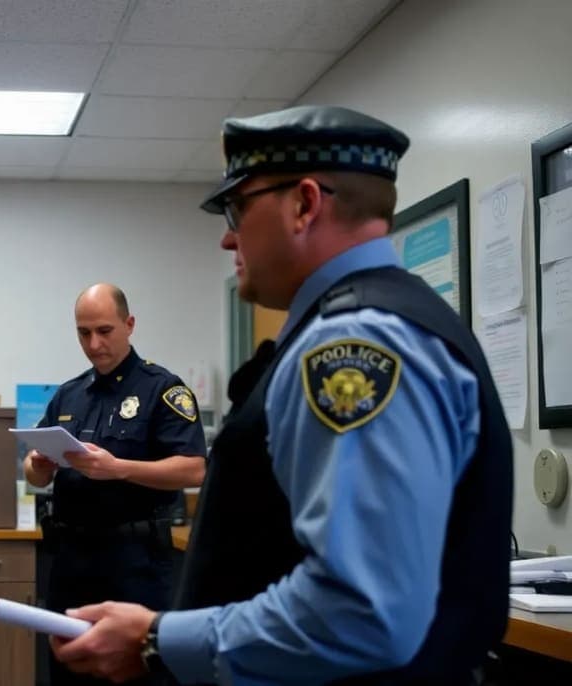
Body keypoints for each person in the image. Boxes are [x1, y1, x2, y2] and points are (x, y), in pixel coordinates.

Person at [50, 106, 513, 685]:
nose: (226, 237)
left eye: (237, 208)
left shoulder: (354, 345)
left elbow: (360, 610)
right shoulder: (382, 320)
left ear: (304, 204)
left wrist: (156, 640)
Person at [24, 283, 208, 686]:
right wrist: (38, 464)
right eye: (83, 333)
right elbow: (34, 472)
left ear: (129, 325)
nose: (93, 343)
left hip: (134, 561)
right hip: (71, 559)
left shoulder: (163, 389)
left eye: (104, 331)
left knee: (134, 674)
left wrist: (120, 468)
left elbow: (194, 469)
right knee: (69, 669)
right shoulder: (69, 394)